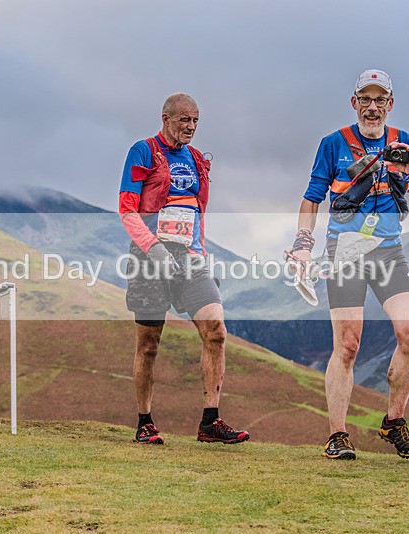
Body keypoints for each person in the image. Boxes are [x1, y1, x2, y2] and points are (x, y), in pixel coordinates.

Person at [285, 69, 409, 460]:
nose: (373, 108)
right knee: (348, 344)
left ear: (391, 104)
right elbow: (311, 198)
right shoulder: (333, 143)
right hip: (345, 251)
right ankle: (337, 435)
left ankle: (394, 422)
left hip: (389, 252)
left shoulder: (407, 143)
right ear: (354, 103)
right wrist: (303, 243)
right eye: (365, 100)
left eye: (380, 100)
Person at [119, 93, 250, 445]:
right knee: (149, 344)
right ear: (166, 118)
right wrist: (153, 248)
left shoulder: (196, 159)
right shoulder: (143, 151)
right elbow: (127, 209)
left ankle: (210, 422)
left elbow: (197, 212)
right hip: (150, 257)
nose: (191, 127)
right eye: (184, 120)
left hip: (190, 258)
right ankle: (145, 422)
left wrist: (199, 252)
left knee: (216, 331)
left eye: (195, 121)